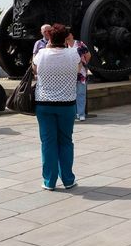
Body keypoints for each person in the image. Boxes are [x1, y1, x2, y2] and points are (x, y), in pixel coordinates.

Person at [32, 23, 81, 190]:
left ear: (49, 37)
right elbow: (78, 69)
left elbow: (35, 70)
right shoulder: (73, 54)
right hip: (67, 104)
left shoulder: (41, 54)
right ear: (66, 38)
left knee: (48, 143)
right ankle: (68, 179)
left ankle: (49, 181)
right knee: (66, 141)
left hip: (44, 103)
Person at [66, 27, 91, 121]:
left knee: (81, 93)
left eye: (68, 34)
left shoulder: (79, 44)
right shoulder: (64, 46)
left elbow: (88, 55)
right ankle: (74, 113)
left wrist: (84, 64)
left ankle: (81, 113)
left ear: (72, 35)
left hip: (81, 73)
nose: (67, 36)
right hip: (69, 73)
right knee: (72, 94)